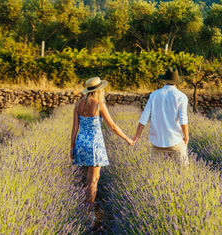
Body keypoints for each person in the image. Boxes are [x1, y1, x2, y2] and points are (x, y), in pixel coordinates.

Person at [70, 76, 134, 212]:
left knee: (86, 180)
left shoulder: (78, 104)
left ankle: (82, 206)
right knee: (93, 180)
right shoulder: (99, 105)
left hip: (81, 143)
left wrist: (72, 147)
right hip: (94, 145)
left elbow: (74, 128)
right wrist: (127, 138)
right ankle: (88, 211)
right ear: (99, 90)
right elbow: (112, 126)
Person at [132, 67, 189, 165]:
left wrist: (136, 137)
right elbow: (183, 121)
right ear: (176, 82)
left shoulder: (154, 95)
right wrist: (186, 137)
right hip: (175, 142)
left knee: (155, 176)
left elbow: (144, 118)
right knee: (183, 175)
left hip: (157, 144)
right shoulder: (181, 97)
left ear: (164, 80)